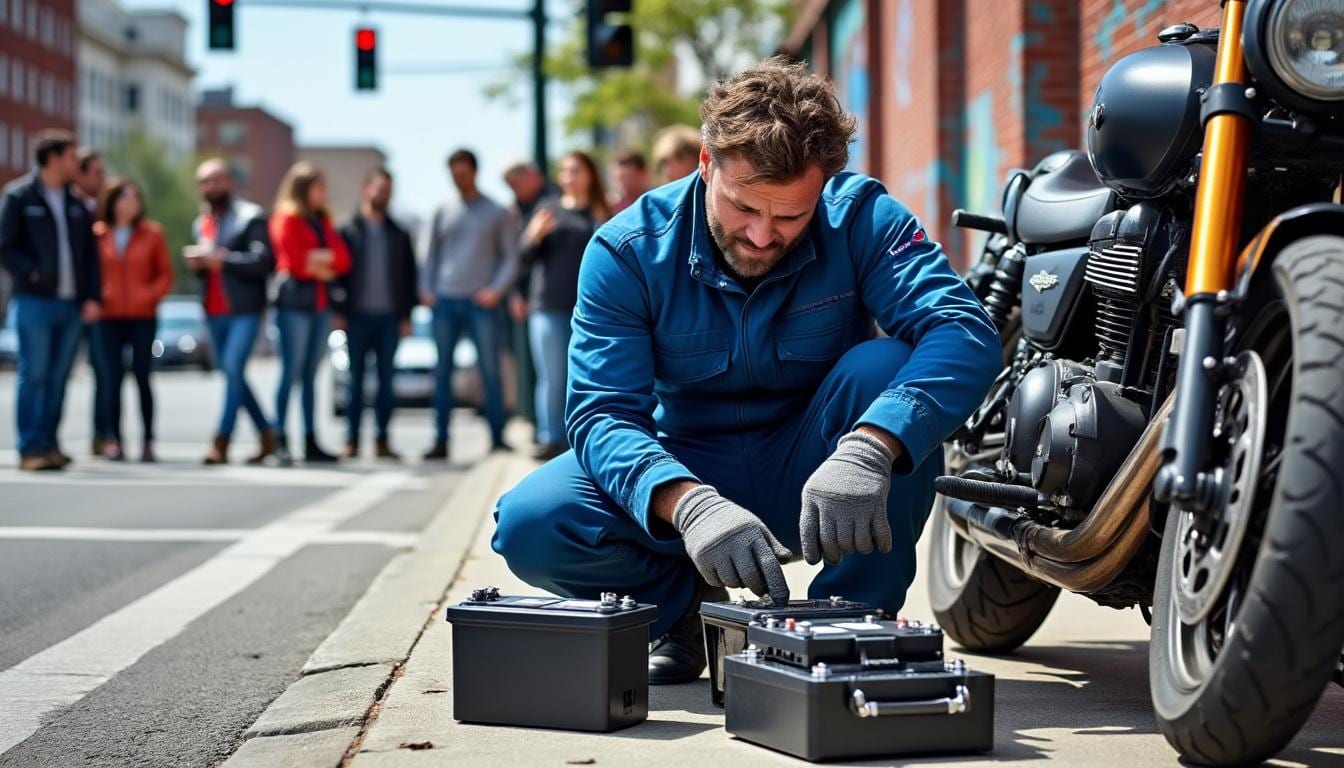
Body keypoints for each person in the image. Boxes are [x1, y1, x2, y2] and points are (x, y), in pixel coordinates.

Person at [492, 59, 1000, 685]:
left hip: (819, 462)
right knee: (531, 521)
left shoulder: (864, 218)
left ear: (823, 188)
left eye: (790, 217)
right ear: (706, 165)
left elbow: (964, 332)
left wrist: (873, 447)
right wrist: (686, 503)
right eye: (742, 208)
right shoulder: (625, 251)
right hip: (686, 461)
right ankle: (677, 611)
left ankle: (853, 621)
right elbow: (600, 412)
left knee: (887, 368)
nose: (762, 236)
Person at [0, 129, 102, 471]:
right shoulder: (19, 197)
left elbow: (90, 257)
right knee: (35, 374)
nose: (78, 164)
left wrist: (92, 297)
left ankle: (50, 443)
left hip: (71, 304)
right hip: (34, 302)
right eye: (73, 157)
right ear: (54, 158)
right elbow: (5, 246)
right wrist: (31, 274)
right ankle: (30, 448)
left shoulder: (77, 205)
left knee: (59, 378)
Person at [421, 148, 519, 460]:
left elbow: (510, 256)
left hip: (482, 302)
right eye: (453, 174)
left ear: (474, 172)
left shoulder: (496, 212)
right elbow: (429, 254)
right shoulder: (441, 210)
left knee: (490, 371)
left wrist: (496, 290)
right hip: (445, 300)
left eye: (463, 173)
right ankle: (440, 439)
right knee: (442, 372)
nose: (458, 179)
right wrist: (427, 289)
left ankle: (497, 436)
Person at [519, 151, 609, 462]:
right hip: (548, 306)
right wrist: (532, 236)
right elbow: (524, 257)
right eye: (565, 171)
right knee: (552, 376)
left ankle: (579, 438)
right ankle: (550, 437)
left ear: (590, 174)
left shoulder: (601, 212)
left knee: (583, 376)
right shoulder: (548, 209)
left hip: (590, 309)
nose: (569, 176)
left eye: (576, 170)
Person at [191, 158, 278, 466]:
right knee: (233, 374)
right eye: (204, 181)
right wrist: (201, 265)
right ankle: (267, 433)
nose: (210, 187)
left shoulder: (249, 217)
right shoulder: (202, 222)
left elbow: (263, 261)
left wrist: (223, 260)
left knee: (232, 366)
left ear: (229, 182)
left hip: (243, 309)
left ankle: (222, 441)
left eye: (216, 179)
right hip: (213, 310)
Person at [270, 162, 352, 464]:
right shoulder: (286, 219)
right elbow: (293, 262)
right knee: (290, 372)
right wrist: (322, 266)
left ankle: (310, 440)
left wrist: (318, 263)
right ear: (305, 189)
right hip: (294, 307)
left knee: (310, 377)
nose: (324, 193)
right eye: (319, 188)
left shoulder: (322, 221)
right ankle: (278, 438)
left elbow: (343, 260)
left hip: (320, 307)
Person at [336, 167, 418, 460]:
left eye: (388, 191)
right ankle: (352, 440)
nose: (383, 195)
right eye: (379, 189)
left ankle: (383, 440)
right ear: (366, 189)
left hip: (389, 318)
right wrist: (339, 311)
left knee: (386, 382)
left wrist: (407, 316)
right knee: (354, 381)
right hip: (356, 316)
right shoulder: (347, 230)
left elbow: (410, 277)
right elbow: (336, 275)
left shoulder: (399, 233)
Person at [94, 178, 173, 462]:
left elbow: (165, 274)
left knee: (142, 375)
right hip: (108, 316)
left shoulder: (152, 234)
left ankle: (148, 440)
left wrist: (148, 295)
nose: (132, 203)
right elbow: (90, 272)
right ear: (113, 201)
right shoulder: (98, 233)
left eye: (136, 198)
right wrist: (98, 296)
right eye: (125, 197)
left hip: (143, 316)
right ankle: (113, 439)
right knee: (111, 379)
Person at [74, 147, 113, 457]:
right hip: (64, 300)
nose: (104, 179)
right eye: (97, 172)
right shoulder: (68, 206)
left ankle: (102, 434)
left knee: (105, 371)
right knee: (49, 375)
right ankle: (45, 441)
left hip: (96, 305)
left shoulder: (102, 211)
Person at [610, 149, 650, 215]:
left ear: (644, 174)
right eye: (618, 178)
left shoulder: (656, 202)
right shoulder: (611, 208)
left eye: (628, 177)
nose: (623, 183)